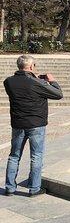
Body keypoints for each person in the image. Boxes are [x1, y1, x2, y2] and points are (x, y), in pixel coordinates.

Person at [4, 55, 63, 196]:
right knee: (36, 155)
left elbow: (22, 87)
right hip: (36, 124)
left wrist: (34, 79)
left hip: (18, 123)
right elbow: (58, 94)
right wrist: (52, 81)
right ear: (31, 67)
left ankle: (9, 187)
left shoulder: (8, 82)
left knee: (14, 155)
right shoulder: (36, 83)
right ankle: (34, 188)